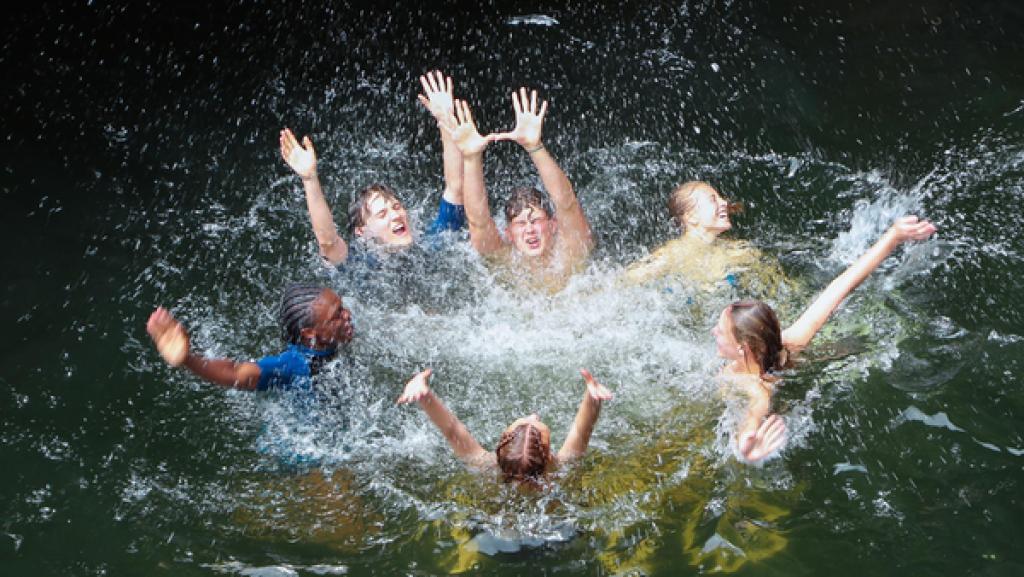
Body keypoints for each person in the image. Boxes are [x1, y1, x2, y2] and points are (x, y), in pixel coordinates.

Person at [712, 216, 937, 462]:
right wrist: (893, 236)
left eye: (720, 330)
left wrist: (746, 448)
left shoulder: (756, 385)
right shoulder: (788, 340)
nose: (714, 331)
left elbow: (755, 410)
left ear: (742, 347)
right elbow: (840, 287)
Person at [278, 70, 466, 269]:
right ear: (362, 232)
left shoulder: (432, 243)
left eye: (396, 207)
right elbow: (328, 242)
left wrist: (446, 120)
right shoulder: (360, 268)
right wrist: (309, 179)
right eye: (382, 214)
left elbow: (456, 188)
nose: (396, 216)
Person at [444, 88, 593, 291]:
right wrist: (471, 158)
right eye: (521, 224)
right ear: (509, 234)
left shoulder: (572, 249)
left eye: (536, 220)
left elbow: (566, 202)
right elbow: (478, 221)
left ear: (553, 225)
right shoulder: (504, 261)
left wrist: (535, 147)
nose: (529, 229)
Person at [397, 368, 613, 486]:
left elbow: (453, 430)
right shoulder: (560, 471)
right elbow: (581, 431)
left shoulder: (485, 468)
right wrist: (592, 397)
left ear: (502, 445)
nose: (533, 414)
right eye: (535, 419)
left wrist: (424, 395)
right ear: (547, 455)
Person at [145, 283, 353, 392]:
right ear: (309, 334)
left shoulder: (337, 338)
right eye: (337, 315)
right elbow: (238, 374)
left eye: (342, 306)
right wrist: (188, 360)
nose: (347, 315)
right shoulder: (294, 365)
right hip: (304, 465)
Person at [625, 181, 790, 296]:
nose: (724, 202)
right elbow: (624, 282)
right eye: (713, 200)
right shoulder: (672, 255)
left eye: (721, 198)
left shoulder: (738, 250)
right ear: (690, 217)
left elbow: (776, 287)